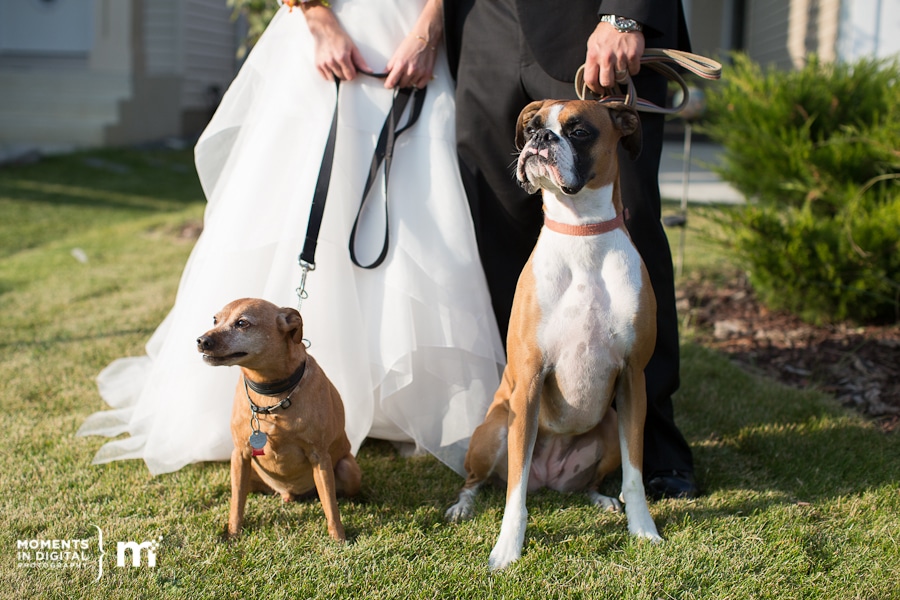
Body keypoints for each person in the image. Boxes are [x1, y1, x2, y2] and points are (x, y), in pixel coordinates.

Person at [78, 0, 505, 477]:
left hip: (412, 30)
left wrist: (429, 29)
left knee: (417, 210)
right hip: (331, 29)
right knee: (304, 198)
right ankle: (273, 394)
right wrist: (319, 21)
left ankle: (402, 404)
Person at [444, 0, 699, 498]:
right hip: (482, 23)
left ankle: (656, 443)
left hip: (589, 21)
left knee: (630, 223)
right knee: (498, 225)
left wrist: (626, 14)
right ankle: (530, 435)